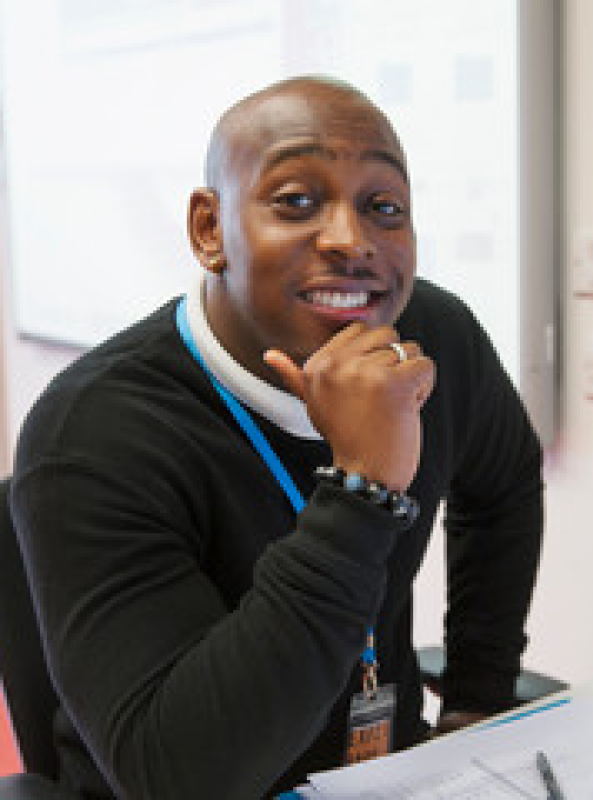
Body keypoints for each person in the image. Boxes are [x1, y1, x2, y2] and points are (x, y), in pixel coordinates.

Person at [11, 76, 543, 799]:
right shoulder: (96, 430)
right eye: (296, 201)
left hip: (390, 774)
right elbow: (177, 779)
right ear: (209, 229)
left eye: (383, 207)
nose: (352, 241)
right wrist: (361, 489)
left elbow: (505, 484)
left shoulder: (434, 337)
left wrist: (477, 698)